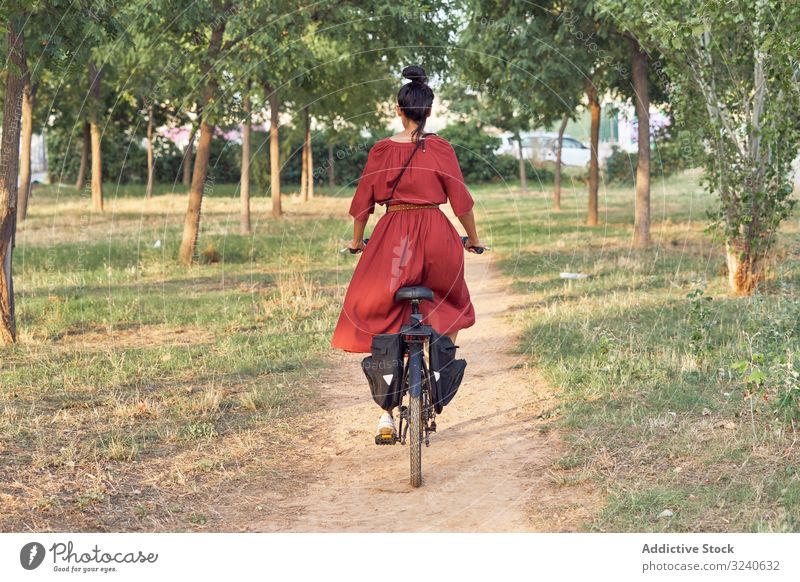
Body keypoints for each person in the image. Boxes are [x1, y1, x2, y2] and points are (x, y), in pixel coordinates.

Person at [331, 65, 484, 439]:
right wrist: (473, 239)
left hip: (393, 240)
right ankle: (436, 364)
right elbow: (461, 202)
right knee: (440, 305)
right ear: (429, 111)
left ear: (398, 110)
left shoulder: (382, 150)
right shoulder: (442, 149)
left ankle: (385, 413)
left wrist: (356, 242)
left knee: (381, 309)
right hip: (437, 238)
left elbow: (362, 203)